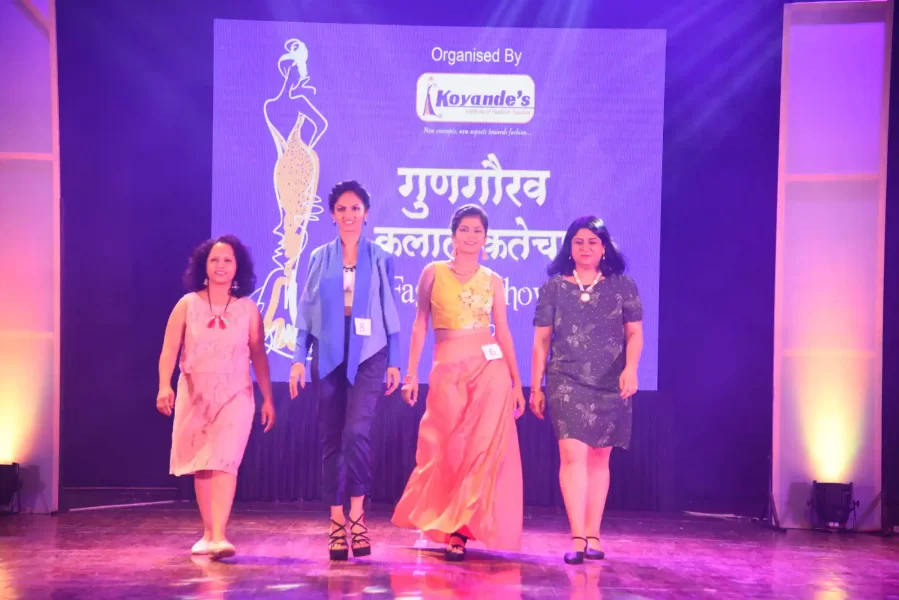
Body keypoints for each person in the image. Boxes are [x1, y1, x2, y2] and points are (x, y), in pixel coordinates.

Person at [392, 204, 526, 561]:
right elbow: (420, 324)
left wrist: (517, 382)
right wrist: (411, 374)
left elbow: (504, 331)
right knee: (448, 447)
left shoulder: (493, 280)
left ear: (486, 238)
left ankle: (460, 530)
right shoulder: (433, 273)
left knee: (480, 448)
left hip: (489, 369)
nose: (471, 236)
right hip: (447, 368)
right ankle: (443, 516)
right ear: (452, 235)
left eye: (477, 231)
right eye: (464, 229)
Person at [289, 180, 402, 561]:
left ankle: (358, 514)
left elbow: (390, 310)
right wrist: (298, 357)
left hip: (369, 353)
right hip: (329, 352)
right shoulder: (319, 257)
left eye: (355, 208)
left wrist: (395, 360)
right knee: (332, 439)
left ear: (366, 213)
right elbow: (306, 310)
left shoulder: (380, 256)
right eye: (342, 209)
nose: (349, 215)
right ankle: (336, 521)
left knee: (357, 434)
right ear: (332, 214)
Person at [529, 216, 644, 565]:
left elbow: (634, 334)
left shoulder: (623, 286)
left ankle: (594, 535)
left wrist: (631, 369)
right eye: (578, 241)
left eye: (593, 242)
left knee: (598, 458)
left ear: (604, 247)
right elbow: (541, 341)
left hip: (610, 381)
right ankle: (578, 536)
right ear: (569, 247)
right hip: (565, 379)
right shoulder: (554, 287)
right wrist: (536, 386)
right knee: (572, 454)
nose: (585, 248)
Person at [156, 235, 276, 559]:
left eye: (228, 260)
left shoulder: (248, 308)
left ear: (238, 268)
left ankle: (220, 535)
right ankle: (208, 534)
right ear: (204, 266)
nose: (221, 266)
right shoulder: (186, 305)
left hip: (236, 394)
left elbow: (259, 356)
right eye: (215, 260)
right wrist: (164, 386)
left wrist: (268, 398)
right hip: (195, 394)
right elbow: (169, 349)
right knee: (203, 464)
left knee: (225, 461)